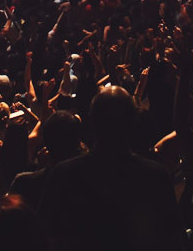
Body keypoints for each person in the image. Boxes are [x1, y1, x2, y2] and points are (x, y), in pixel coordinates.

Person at [40, 87, 184, 251]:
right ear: (132, 122)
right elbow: (173, 240)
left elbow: (44, 237)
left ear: (91, 121)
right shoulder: (155, 176)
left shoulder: (63, 175)